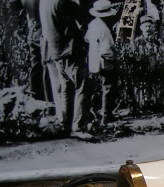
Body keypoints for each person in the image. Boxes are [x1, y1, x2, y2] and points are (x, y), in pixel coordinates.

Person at [40, 0, 91, 140]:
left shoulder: (44, 2)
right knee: (81, 88)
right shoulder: (63, 1)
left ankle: (65, 125)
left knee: (66, 88)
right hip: (70, 49)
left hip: (55, 51)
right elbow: (83, 16)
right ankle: (78, 127)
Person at [85, 0, 118, 126]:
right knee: (108, 87)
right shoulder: (104, 29)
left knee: (99, 88)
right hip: (104, 62)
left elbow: (87, 38)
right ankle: (106, 115)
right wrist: (114, 59)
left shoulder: (92, 24)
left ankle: (99, 113)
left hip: (93, 60)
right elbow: (106, 50)